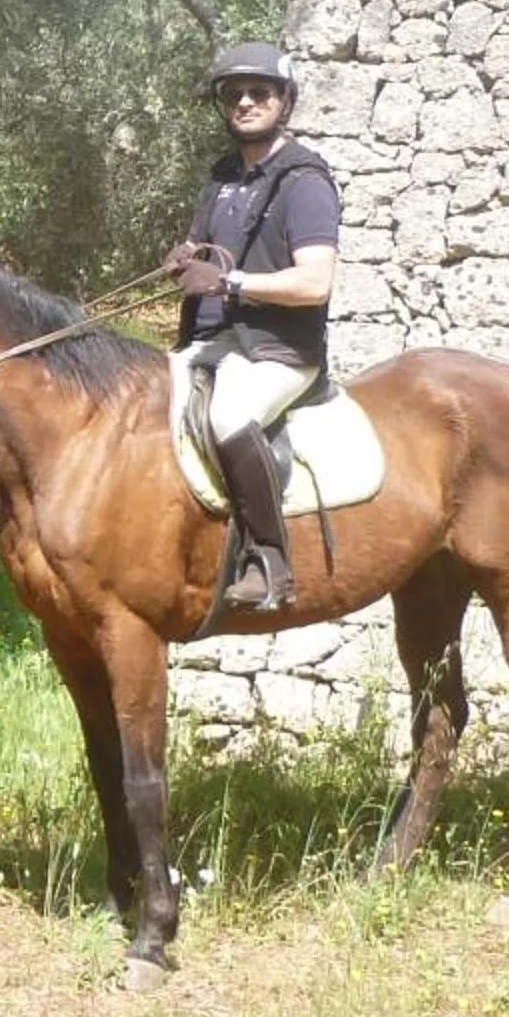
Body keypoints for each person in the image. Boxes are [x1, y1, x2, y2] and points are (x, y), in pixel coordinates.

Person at [166, 42, 341, 620]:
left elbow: (315, 282)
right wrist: (184, 257)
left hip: (278, 352)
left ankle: (269, 562)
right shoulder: (222, 177)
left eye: (259, 92)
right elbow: (204, 249)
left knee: (227, 418)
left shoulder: (304, 181)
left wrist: (230, 283)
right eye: (233, 94)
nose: (245, 102)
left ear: (285, 101)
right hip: (211, 344)